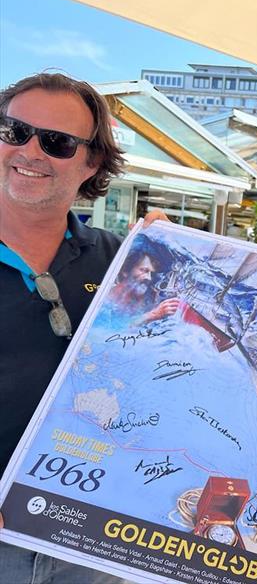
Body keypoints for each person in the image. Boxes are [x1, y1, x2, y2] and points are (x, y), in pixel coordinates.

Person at [0, 72, 160, 584]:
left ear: (92, 161)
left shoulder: (124, 262)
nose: (30, 151)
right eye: (14, 131)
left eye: (57, 142)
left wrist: (179, 261)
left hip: (95, 545)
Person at [108, 249, 179, 324]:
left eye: (152, 274)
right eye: (144, 270)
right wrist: (153, 315)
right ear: (125, 270)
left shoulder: (147, 299)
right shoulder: (105, 297)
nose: (149, 278)